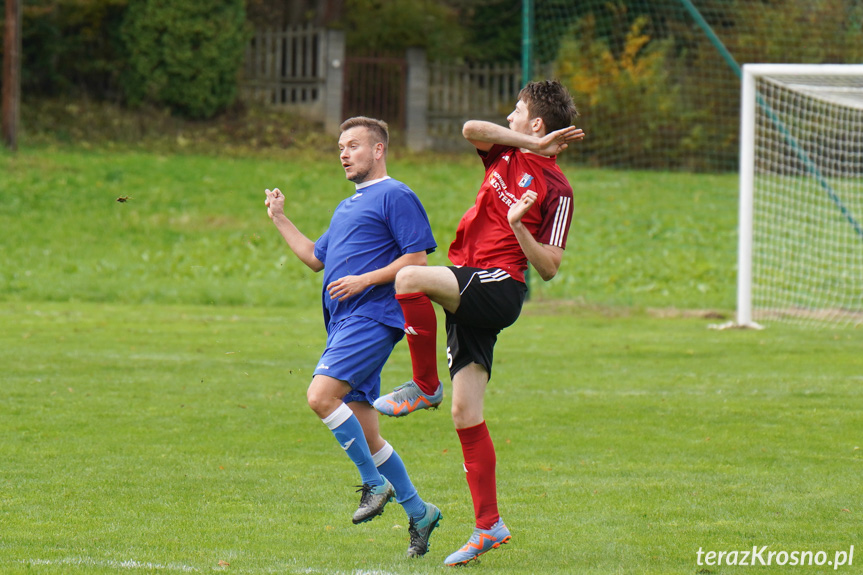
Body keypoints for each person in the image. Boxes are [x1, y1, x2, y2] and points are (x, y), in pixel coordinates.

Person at [372, 80, 583, 566]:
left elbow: (549, 266)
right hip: (470, 281)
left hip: (499, 283)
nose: (508, 116)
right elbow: (470, 128)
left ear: (535, 120)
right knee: (466, 415)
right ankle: (489, 525)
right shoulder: (507, 153)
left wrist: (516, 227)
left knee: (408, 278)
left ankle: (424, 385)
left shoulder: (558, 189)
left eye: (517, 110)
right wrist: (531, 143)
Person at [264, 116, 442, 558]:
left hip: (374, 317)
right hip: (344, 324)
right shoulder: (347, 207)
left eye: (354, 145)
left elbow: (416, 259)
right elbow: (313, 258)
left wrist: (365, 281)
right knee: (368, 433)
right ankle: (419, 511)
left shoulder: (395, 195)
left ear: (378, 150)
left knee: (321, 397)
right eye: (341, 147)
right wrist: (280, 218)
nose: (344, 153)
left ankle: (373, 484)